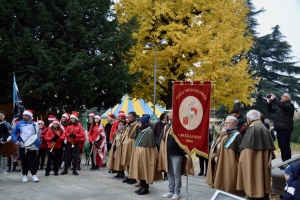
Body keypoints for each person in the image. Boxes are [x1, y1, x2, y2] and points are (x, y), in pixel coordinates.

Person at [236, 110, 275, 200]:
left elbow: (247, 152)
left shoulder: (252, 129)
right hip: (263, 161)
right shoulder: (263, 127)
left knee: (254, 180)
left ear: (248, 119)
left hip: (253, 162)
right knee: (262, 179)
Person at [206, 116, 244, 196]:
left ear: (234, 124)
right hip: (218, 163)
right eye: (225, 122)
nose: (225, 124)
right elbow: (214, 148)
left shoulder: (235, 135)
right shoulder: (221, 134)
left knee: (228, 187)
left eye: (228, 123)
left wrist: (223, 133)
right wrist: (214, 156)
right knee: (220, 185)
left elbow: (228, 147)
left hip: (228, 166)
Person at [158, 109, 190, 200]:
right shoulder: (168, 125)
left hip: (177, 153)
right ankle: (170, 191)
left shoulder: (180, 125)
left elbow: (184, 140)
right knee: (169, 173)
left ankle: (177, 192)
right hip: (167, 153)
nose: (168, 114)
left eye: (170, 112)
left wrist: (185, 152)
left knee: (176, 173)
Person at [129, 114, 162, 195]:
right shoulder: (142, 131)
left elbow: (151, 147)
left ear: (144, 123)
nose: (139, 124)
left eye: (140, 122)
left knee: (145, 171)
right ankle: (142, 186)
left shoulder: (149, 132)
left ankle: (145, 188)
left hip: (146, 155)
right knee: (141, 170)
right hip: (140, 154)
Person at [11, 110, 40, 182]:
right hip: (22, 145)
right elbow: (13, 133)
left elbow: (37, 136)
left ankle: (34, 175)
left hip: (32, 145)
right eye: (23, 115)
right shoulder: (19, 124)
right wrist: (16, 141)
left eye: (26, 115)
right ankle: (25, 175)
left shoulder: (35, 124)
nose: (24, 116)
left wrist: (37, 144)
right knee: (24, 161)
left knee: (33, 161)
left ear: (30, 116)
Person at [266, 93, 294, 168]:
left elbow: (283, 106)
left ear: (288, 98)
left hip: (285, 128)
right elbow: (271, 110)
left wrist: (274, 99)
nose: (281, 97)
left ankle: (288, 163)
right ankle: (283, 162)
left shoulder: (289, 105)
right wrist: (269, 103)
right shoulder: (280, 106)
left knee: (285, 145)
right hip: (279, 128)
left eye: (283, 96)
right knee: (281, 146)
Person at [61, 111, 85, 175]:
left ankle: (74, 170)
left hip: (76, 143)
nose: (72, 120)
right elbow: (65, 133)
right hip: (69, 142)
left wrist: (75, 135)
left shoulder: (79, 126)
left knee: (75, 156)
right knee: (67, 156)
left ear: (76, 119)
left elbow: (82, 134)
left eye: (73, 118)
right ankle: (65, 170)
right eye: (71, 118)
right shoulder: (68, 125)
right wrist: (69, 135)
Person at [121, 111, 139, 185]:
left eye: (130, 117)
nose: (128, 118)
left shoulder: (137, 125)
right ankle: (129, 175)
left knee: (132, 161)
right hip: (126, 146)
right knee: (127, 160)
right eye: (128, 117)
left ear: (134, 117)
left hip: (132, 146)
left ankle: (133, 177)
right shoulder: (128, 125)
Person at [153, 112, 169, 180]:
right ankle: (158, 174)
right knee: (158, 159)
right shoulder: (157, 124)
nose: (165, 118)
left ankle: (166, 174)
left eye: (166, 117)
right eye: (164, 117)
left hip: (165, 144)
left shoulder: (169, 125)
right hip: (158, 143)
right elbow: (154, 133)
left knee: (165, 159)